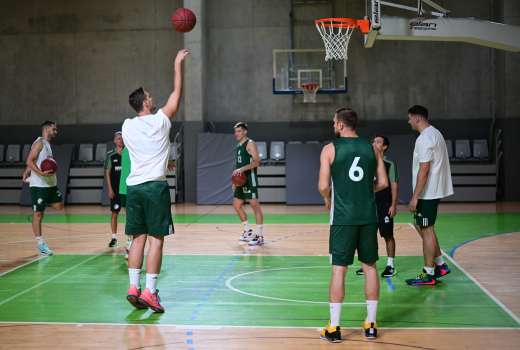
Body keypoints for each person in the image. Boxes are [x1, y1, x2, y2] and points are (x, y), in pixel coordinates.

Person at [123, 48, 189, 313]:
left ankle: (132, 288)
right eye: (149, 96)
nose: (153, 98)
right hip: (154, 186)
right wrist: (177, 64)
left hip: (133, 187)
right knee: (156, 240)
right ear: (146, 103)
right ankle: (150, 291)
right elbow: (177, 95)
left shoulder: (126, 126)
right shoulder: (161, 121)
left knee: (137, 238)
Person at [318, 108, 388, 342]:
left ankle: (334, 328)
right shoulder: (373, 147)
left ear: (340, 125)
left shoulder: (330, 149)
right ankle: (370, 325)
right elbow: (384, 182)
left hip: (343, 219)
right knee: (370, 267)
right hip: (368, 216)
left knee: (339, 269)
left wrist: (328, 198)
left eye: (333, 122)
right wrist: (365, 191)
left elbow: (323, 186)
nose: (333, 126)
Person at [406, 105, 454, 286]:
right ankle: (440, 265)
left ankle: (429, 272)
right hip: (433, 190)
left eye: (410, 117)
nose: (408, 121)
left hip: (427, 193)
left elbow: (424, 169)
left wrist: (415, 196)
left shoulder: (424, 138)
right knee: (426, 227)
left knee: (426, 229)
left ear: (417, 118)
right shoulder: (436, 133)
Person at [356, 135, 399, 277]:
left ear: (385, 146)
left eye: (378, 141)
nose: (374, 143)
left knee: (388, 235)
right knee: (367, 236)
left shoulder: (389, 164)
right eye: (373, 141)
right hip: (368, 206)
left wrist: (393, 204)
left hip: (384, 205)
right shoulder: (367, 163)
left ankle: (390, 265)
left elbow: (394, 185)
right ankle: (368, 264)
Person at [22, 121, 64, 256]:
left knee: (59, 206)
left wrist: (27, 170)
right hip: (39, 184)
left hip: (50, 184)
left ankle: (37, 210)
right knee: (39, 214)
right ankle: (41, 244)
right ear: (46, 129)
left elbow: (33, 160)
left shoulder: (47, 144)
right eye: (54, 129)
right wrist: (39, 173)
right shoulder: (39, 143)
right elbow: (29, 160)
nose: (56, 132)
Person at [232, 122, 264, 246]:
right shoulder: (238, 145)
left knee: (254, 205)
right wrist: (235, 180)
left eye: (239, 131)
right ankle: (248, 231)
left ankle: (260, 236)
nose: (237, 133)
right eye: (235, 131)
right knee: (236, 205)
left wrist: (241, 170)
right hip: (240, 180)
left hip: (250, 178)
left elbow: (257, 162)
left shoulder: (250, 143)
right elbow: (238, 166)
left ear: (245, 132)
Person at [105, 131, 125, 248]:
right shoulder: (111, 155)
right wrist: (110, 189)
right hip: (115, 190)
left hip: (126, 189)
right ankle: (114, 237)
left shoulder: (128, 153)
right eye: (118, 139)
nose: (120, 140)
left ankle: (130, 237)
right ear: (114, 141)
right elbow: (107, 173)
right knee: (114, 213)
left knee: (130, 214)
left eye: (122, 138)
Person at [118, 146, 133, 259]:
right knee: (130, 218)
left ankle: (131, 244)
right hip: (126, 188)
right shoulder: (125, 150)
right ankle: (129, 244)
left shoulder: (126, 150)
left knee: (131, 218)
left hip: (131, 187)